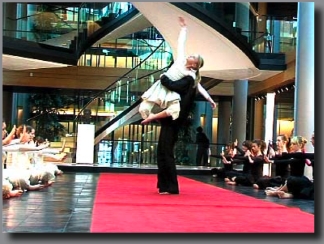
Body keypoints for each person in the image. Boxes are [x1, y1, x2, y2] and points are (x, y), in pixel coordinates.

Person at [139, 16, 216, 125]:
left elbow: (200, 87)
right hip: (161, 85)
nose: (189, 55)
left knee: (174, 111)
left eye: (193, 56)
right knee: (143, 109)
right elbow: (181, 43)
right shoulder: (180, 59)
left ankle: (153, 117)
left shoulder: (191, 74)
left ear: (194, 64)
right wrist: (183, 28)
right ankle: (151, 117)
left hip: (171, 90)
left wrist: (210, 100)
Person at [155, 71, 198, 194]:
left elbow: (172, 85)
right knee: (163, 152)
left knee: (165, 152)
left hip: (173, 120)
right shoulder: (190, 80)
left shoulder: (189, 79)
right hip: (172, 120)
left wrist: (163, 77)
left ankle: (170, 186)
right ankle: (164, 185)